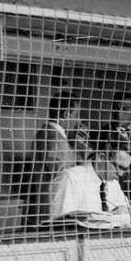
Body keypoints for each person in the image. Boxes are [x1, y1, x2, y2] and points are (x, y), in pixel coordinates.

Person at [25, 91, 88, 224]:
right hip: (56, 212)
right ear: (65, 114)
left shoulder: (44, 134)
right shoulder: (56, 140)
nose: (80, 120)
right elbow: (66, 177)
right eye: (77, 115)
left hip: (44, 206)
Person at [49, 139, 131, 219]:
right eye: (118, 167)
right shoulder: (71, 178)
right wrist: (109, 216)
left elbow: (126, 212)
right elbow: (62, 223)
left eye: (125, 169)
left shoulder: (113, 184)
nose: (121, 174)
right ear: (101, 158)